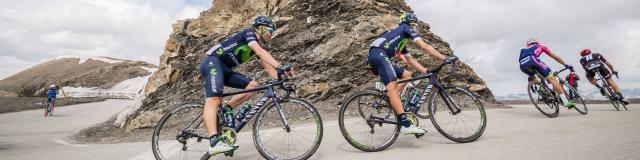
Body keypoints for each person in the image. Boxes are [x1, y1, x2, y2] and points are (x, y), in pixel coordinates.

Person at [199, 16, 294, 155]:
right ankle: (214, 142)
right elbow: (261, 52)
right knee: (214, 99)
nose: (272, 35)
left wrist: (282, 78)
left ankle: (227, 109)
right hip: (212, 63)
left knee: (252, 86)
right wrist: (280, 66)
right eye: (271, 31)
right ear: (261, 28)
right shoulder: (248, 34)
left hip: (224, 69)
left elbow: (268, 67)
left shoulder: (257, 46)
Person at [366, 12, 452, 135]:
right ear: (407, 24)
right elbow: (424, 46)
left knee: (407, 75)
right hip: (378, 54)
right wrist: (445, 58)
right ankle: (405, 124)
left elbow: (410, 60)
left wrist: (426, 71)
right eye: (413, 25)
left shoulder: (401, 42)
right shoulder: (405, 29)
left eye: (414, 25)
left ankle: (394, 100)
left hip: (377, 55)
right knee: (393, 86)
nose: (414, 28)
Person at [518, 38, 576, 108]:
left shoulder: (523, 49)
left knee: (535, 77)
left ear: (528, 44)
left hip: (522, 65)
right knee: (552, 79)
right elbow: (555, 57)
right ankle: (565, 102)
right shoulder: (540, 46)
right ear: (537, 42)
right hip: (533, 60)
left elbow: (522, 59)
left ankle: (541, 89)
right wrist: (566, 65)